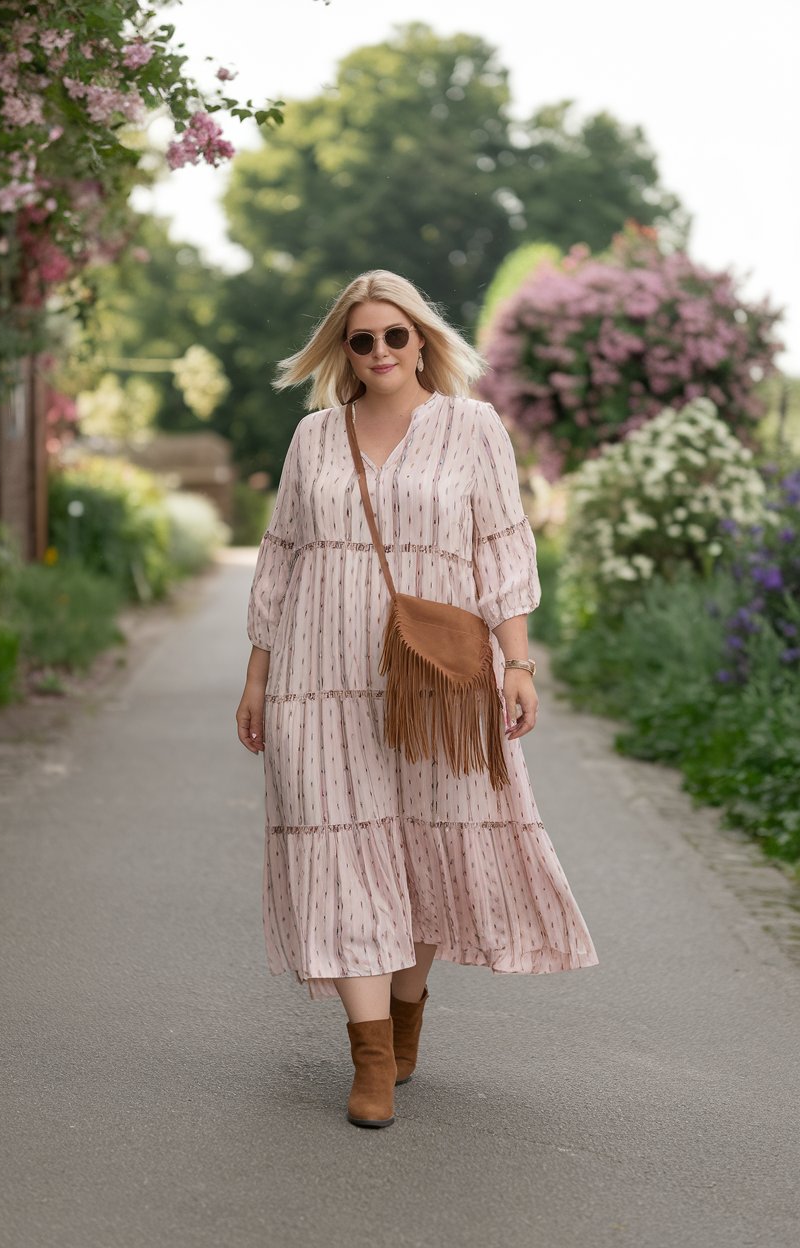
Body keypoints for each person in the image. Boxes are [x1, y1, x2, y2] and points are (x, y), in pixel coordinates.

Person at [235, 270, 598, 1129]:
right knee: (341, 849)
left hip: (436, 680)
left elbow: (502, 544)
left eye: (395, 336)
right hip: (318, 677)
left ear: (422, 340)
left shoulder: (473, 428)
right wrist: (257, 677)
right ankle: (367, 1054)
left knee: (431, 841)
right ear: (343, 350)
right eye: (361, 340)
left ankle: (405, 1016)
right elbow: (281, 555)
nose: (380, 353)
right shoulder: (315, 439)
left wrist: (518, 663)